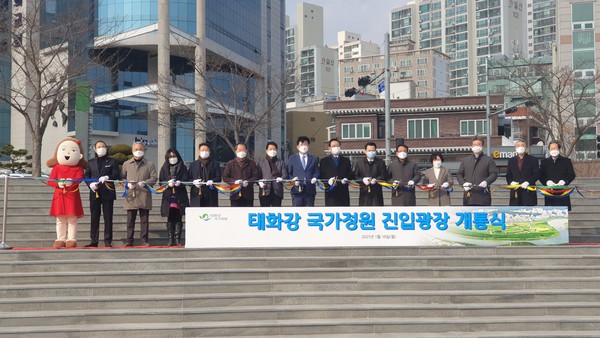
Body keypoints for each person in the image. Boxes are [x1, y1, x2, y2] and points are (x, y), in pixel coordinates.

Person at [46, 138, 87, 249]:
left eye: (73, 151)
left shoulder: (78, 169)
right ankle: (61, 238)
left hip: (72, 196)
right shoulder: (56, 168)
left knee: (72, 219)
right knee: (60, 219)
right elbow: (50, 181)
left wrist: (71, 183)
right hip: (59, 196)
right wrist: (58, 184)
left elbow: (79, 179)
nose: (68, 153)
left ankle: (71, 239)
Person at [84, 140, 120, 248]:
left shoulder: (113, 161)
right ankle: (94, 240)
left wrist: (107, 177)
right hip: (95, 192)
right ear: (95, 149)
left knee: (108, 217)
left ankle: (108, 241)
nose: (101, 148)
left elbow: (116, 174)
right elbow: (86, 176)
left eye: (103, 146)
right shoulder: (90, 162)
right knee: (94, 217)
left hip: (108, 192)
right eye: (98, 147)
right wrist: (90, 184)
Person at [121, 141, 158, 246]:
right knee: (130, 220)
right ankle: (129, 240)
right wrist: (126, 184)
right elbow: (122, 178)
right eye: (136, 149)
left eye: (140, 149)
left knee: (144, 220)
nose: (138, 151)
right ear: (132, 151)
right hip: (131, 195)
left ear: (144, 151)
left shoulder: (149, 164)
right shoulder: (126, 164)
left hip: (144, 194)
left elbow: (154, 177)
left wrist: (146, 183)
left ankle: (144, 240)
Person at [159, 148, 190, 246]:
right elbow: (161, 181)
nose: (173, 158)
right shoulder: (164, 168)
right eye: (170, 157)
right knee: (170, 217)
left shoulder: (183, 167)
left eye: (174, 156)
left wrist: (179, 183)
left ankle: (178, 238)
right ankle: (171, 238)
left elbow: (186, 179)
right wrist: (167, 183)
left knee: (178, 217)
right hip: (169, 196)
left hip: (179, 196)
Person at [457, 136, 498, 206]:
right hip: (469, 195)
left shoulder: (488, 160)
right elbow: (459, 174)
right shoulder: (465, 160)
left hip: (483, 195)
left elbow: (494, 174)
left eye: (478, 144)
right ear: (472, 146)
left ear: (482, 146)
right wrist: (463, 183)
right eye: (474, 145)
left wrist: (486, 181)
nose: (476, 146)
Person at [539, 141, 576, 211]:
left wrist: (564, 181)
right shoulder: (544, 162)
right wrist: (546, 182)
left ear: (559, 149)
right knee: (550, 213)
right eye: (551, 148)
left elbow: (571, 174)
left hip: (563, 192)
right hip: (549, 192)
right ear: (549, 150)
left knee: (563, 215)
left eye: (555, 148)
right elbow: (540, 175)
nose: (553, 150)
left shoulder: (566, 161)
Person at [223, 143, 260, 207]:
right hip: (235, 194)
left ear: (246, 151)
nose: (241, 151)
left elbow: (256, 176)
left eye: (243, 150)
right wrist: (234, 182)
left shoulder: (251, 163)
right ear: (236, 151)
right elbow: (225, 178)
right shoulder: (230, 163)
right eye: (239, 150)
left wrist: (248, 182)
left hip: (248, 194)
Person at [319, 138, 353, 206]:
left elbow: (350, 174)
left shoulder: (346, 161)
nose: (336, 148)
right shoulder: (324, 161)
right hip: (330, 191)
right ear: (329, 148)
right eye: (334, 146)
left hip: (343, 191)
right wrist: (328, 181)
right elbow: (321, 175)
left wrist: (346, 179)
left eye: (337, 146)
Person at [287, 136, 320, 206]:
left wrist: (315, 178)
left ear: (308, 146)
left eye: (305, 144)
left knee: (309, 211)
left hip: (310, 189)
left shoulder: (313, 159)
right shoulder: (292, 159)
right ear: (297, 147)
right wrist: (293, 180)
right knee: (297, 212)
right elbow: (289, 173)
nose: (303, 146)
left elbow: (317, 171)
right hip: (296, 190)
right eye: (301, 144)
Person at [506, 139, 539, 206]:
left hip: (528, 192)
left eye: (522, 145)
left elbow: (536, 174)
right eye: (518, 146)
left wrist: (528, 182)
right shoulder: (511, 160)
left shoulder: (533, 160)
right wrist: (511, 182)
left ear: (526, 148)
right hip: (515, 192)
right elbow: (508, 175)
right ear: (515, 148)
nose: (520, 147)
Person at [354, 142, 387, 206]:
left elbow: (384, 175)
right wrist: (362, 180)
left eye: (373, 150)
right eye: (369, 150)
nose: (371, 152)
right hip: (364, 193)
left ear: (376, 151)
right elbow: (355, 176)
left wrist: (376, 180)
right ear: (365, 151)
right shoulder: (360, 163)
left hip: (377, 193)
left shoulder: (381, 163)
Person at [188, 143, 221, 207]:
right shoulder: (193, 165)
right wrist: (194, 182)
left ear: (209, 152)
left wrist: (212, 181)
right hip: (197, 193)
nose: (204, 152)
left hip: (210, 193)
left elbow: (218, 178)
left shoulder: (215, 164)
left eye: (206, 150)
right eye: (202, 150)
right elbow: (188, 178)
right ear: (199, 151)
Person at [256, 141, 288, 207]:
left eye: (274, 149)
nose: (272, 151)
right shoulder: (260, 162)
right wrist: (259, 182)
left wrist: (281, 178)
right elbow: (257, 176)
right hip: (265, 191)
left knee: (276, 212)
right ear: (266, 151)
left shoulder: (281, 162)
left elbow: (285, 175)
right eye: (270, 149)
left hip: (277, 191)